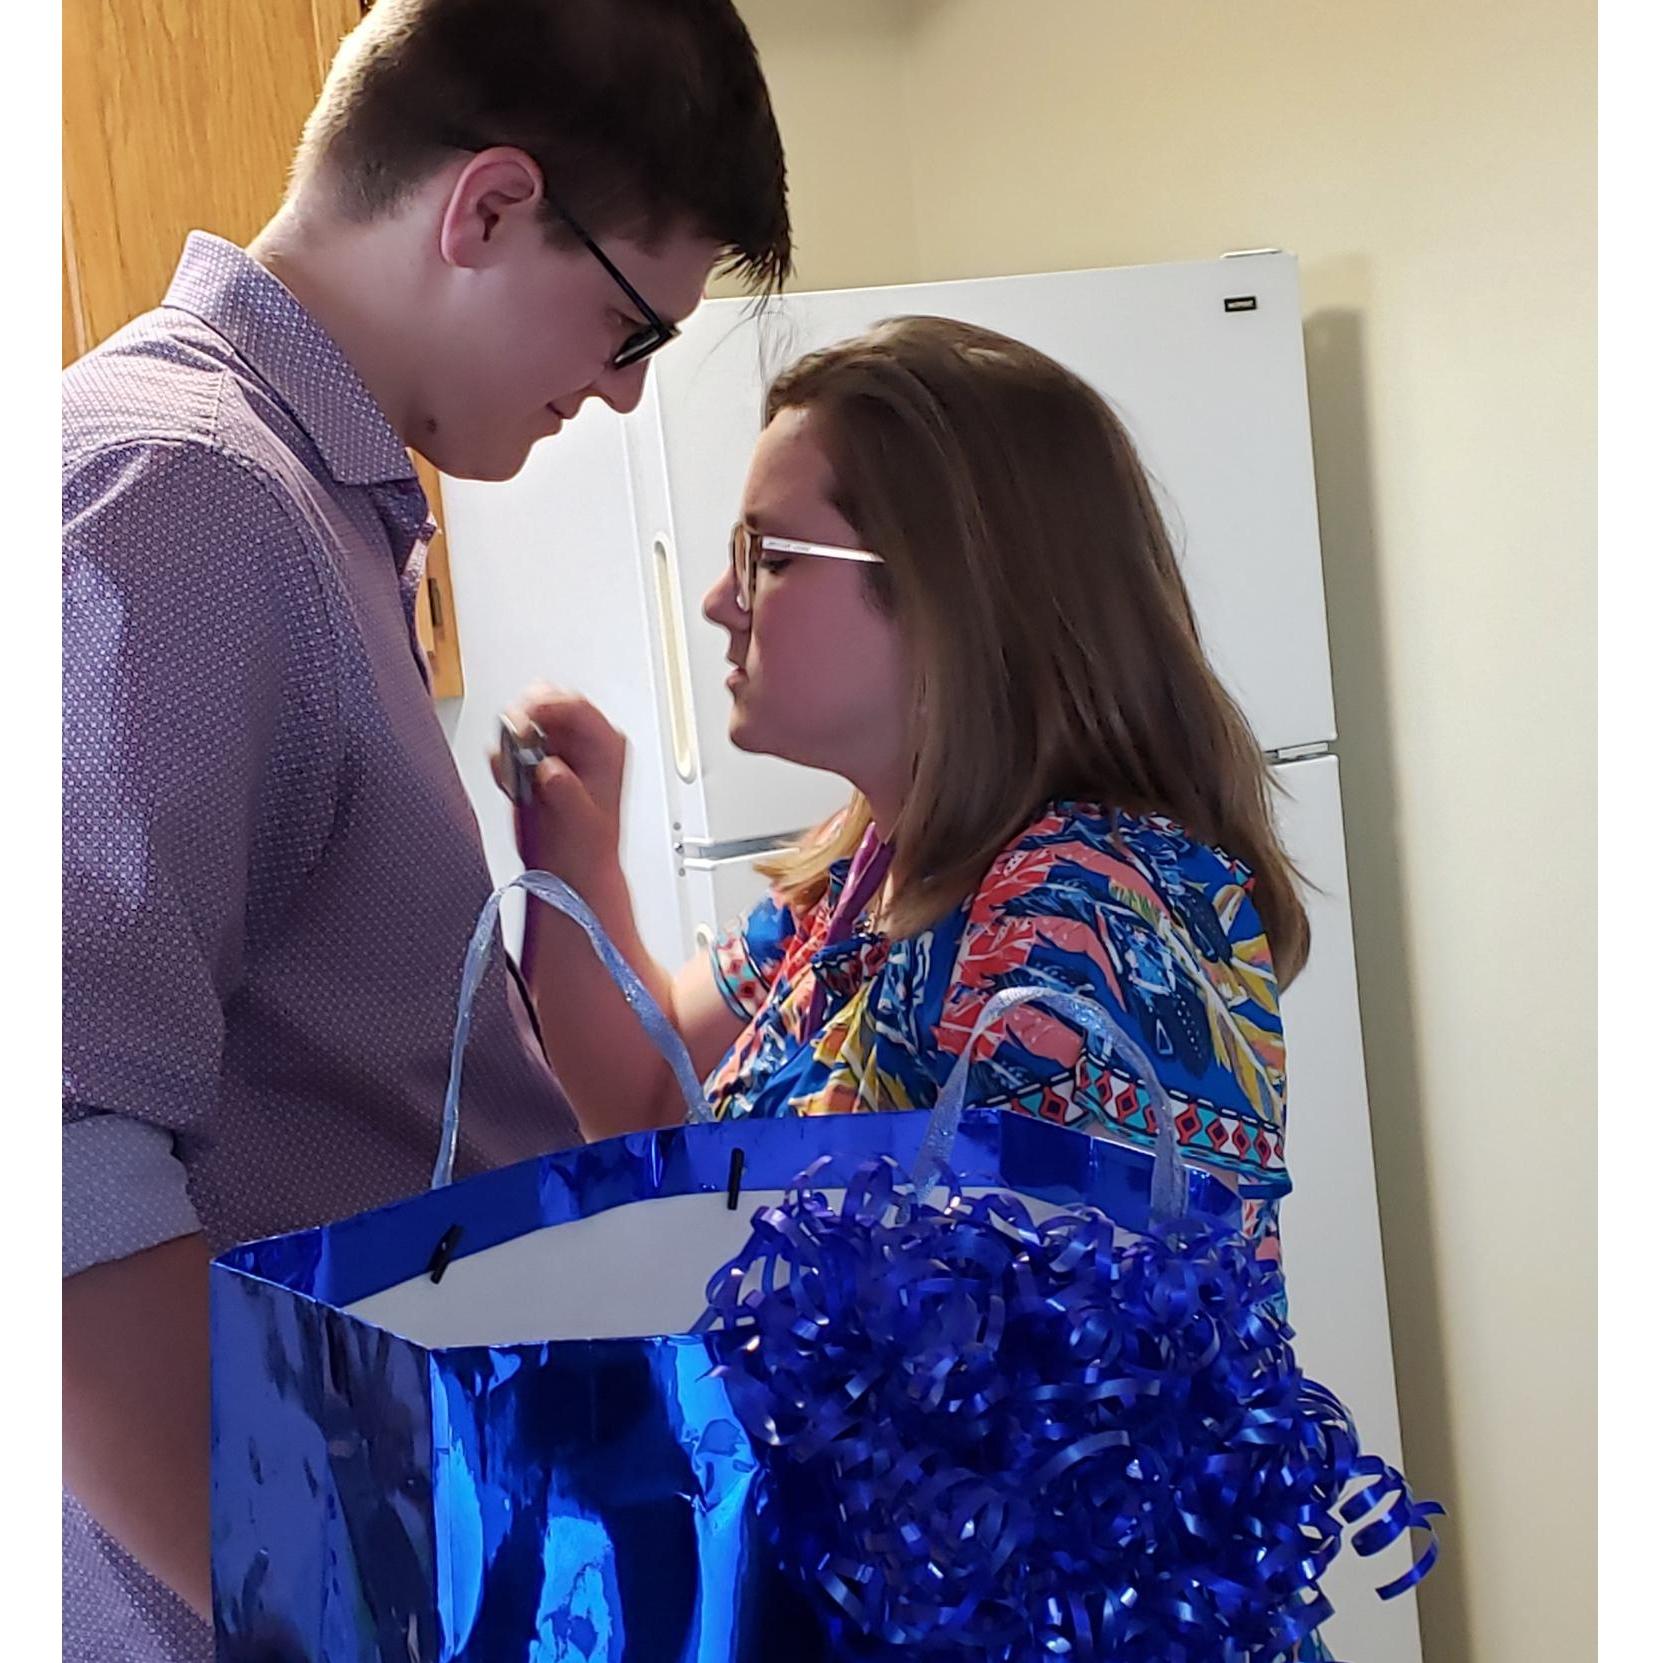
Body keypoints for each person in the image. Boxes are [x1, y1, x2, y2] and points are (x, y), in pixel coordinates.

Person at [60, 4, 789, 1659]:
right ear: (484, 208)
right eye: (626, 331)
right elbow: (57, 1156)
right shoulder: (173, 496)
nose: (614, 400)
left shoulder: (309, 509)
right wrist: (368, 1614)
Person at [501, 313, 1310, 1258]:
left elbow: (1046, 1374)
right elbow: (648, 1089)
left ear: (949, 593)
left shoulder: (1067, 922)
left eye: (770, 557)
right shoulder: (874, 860)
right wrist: (575, 858)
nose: (722, 601)